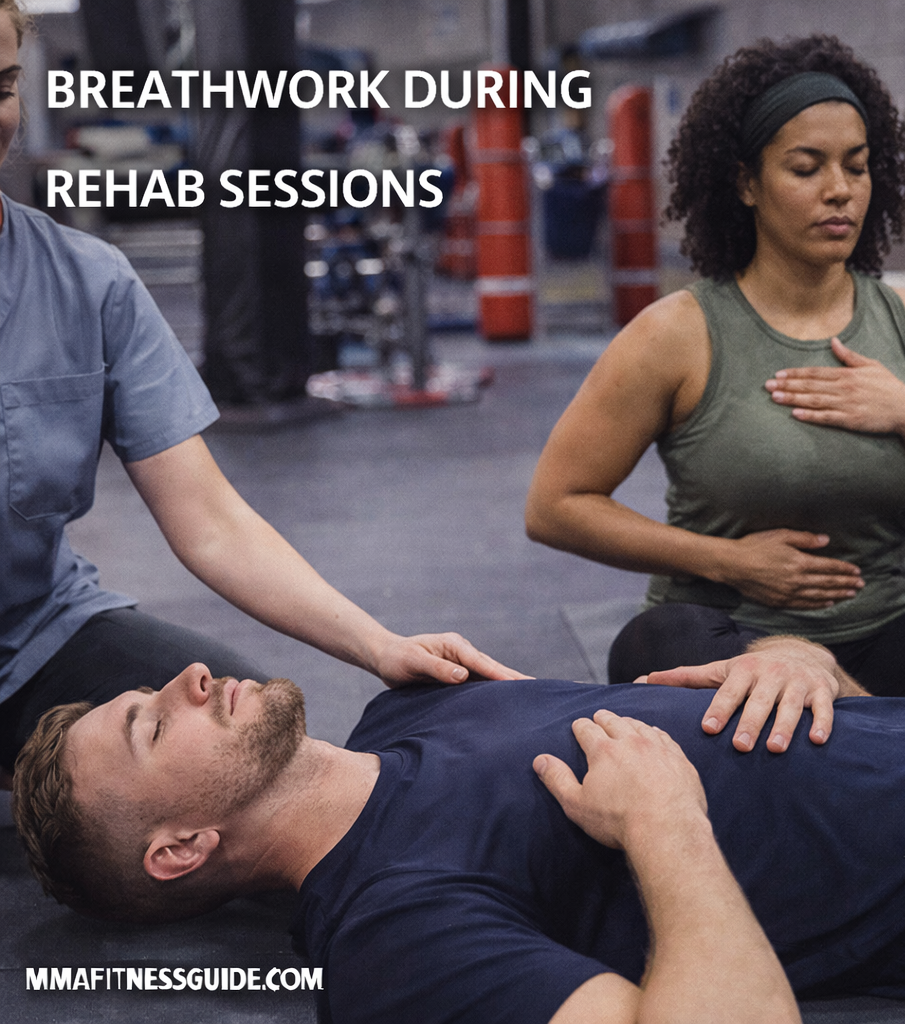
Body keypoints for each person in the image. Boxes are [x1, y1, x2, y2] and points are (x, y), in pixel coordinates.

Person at [0, 1, 518, 785]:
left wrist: (378, 644)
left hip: (33, 639)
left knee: (268, 764)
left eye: (2, 84)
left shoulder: (87, 281)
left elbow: (209, 521)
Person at [12, 636, 905, 1024]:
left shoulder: (407, 705)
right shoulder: (390, 937)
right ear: (180, 846)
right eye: (154, 724)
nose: (188, 677)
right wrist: (667, 823)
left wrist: (792, 651)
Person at [524, 35, 905, 697]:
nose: (840, 191)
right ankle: (900, 741)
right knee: (658, 644)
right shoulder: (676, 333)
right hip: (736, 639)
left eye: (857, 165)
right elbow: (555, 506)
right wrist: (729, 561)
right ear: (746, 182)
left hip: (886, 646)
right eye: (806, 167)